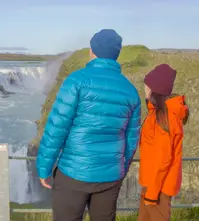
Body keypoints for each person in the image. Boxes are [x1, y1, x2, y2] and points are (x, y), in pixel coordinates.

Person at [36, 29, 141, 221]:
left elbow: (56, 129)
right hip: (110, 176)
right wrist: (119, 169)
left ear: (92, 51)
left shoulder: (76, 81)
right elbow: (131, 139)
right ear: (117, 54)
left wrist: (44, 167)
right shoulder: (130, 91)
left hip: (73, 174)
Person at [138, 64, 189, 221]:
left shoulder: (163, 118)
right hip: (153, 183)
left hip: (158, 187)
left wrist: (152, 194)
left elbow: (163, 160)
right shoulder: (158, 113)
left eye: (147, 85)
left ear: (154, 89)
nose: (144, 88)